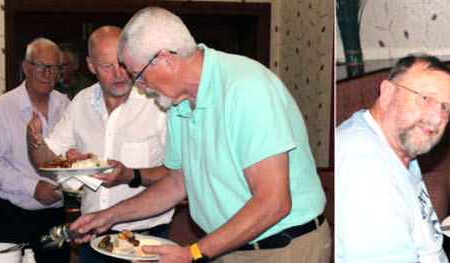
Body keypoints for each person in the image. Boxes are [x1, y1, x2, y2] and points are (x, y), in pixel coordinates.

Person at [69, 7, 329, 263]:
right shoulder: (176, 102)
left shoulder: (246, 89)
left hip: (284, 248)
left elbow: (273, 203)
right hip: (226, 245)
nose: (141, 87)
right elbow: (177, 181)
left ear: (166, 59)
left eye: (139, 75)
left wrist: (193, 252)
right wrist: (109, 216)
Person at [24, 26, 173, 263]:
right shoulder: (81, 102)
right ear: (91, 66)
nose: (118, 74)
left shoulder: (157, 103)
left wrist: (131, 175)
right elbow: (46, 161)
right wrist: (34, 140)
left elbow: (177, 175)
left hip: (144, 241)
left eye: (122, 64)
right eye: (107, 66)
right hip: (93, 240)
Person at [333, 54, 450, 262]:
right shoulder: (366, 167)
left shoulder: (401, 149)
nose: (437, 119)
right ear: (387, 93)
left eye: (444, 107)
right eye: (425, 98)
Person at [0, 37, 72, 263]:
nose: (46, 73)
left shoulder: (67, 105)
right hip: (12, 217)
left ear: (60, 73)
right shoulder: (2, 107)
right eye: (40, 66)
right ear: (26, 67)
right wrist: (32, 187)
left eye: (53, 67)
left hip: (54, 217)